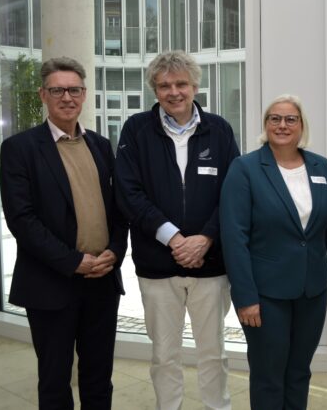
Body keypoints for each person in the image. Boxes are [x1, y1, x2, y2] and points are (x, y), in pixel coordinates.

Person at [0, 56, 127, 409]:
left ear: (84, 94)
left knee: (99, 376)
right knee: (55, 380)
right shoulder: (19, 148)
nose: (67, 97)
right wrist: (73, 262)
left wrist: (115, 251)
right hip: (51, 283)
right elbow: (21, 219)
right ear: (43, 94)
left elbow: (118, 209)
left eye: (74, 90)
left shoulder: (100, 145)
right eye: (58, 90)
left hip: (102, 279)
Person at [114, 50, 239, 410]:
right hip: (158, 264)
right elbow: (128, 192)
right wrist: (173, 237)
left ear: (195, 86)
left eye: (181, 83)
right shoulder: (136, 129)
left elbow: (232, 192)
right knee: (164, 355)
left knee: (213, 353)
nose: (174, 92)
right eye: (164, 85)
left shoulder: (219, 129)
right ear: (154, 89)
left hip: (210, 263)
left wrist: (206, 238)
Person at [220, 95, 327, 409]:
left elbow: (326, 230)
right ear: (265, 124)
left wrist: (311, 268)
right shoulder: (245, 168)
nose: (282, 125)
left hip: (311, 292)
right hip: (264, 296)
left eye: (290, 119)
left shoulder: (320, 166)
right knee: (268, 376)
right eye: (275, 118)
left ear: (301, 126)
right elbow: (234, 238)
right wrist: (245, 297)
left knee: (299, 372)